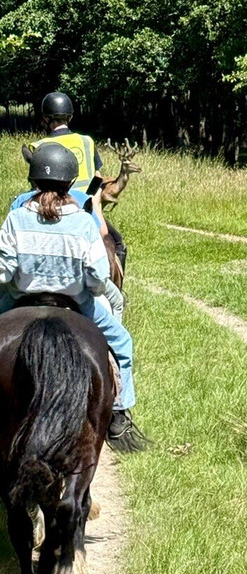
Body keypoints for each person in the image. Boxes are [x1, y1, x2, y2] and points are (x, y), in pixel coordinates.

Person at [0, 146, 145, 451]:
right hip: (76, 303)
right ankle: (119, 414)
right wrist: (85, 286)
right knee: (122, 343)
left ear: (34, 179)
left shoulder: (15, 217)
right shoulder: (82, 221)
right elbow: (96, 275)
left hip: (19, 300)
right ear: (70, 183)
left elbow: (4, 271)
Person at [27, 91, 128, 271]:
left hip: (50, 207)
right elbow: (98, 177)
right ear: (70, 117)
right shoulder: (87, 141)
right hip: (86, 208)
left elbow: (36, 187)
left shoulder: (38, 147)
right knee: (117, 244)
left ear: (45, 118)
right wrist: (92, 202)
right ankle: (115, 294)